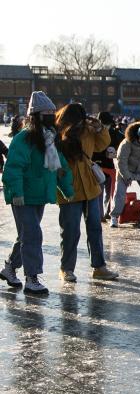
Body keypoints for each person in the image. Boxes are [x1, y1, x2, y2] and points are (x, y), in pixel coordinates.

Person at [1, 91, 75, 295]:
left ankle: (9, 268)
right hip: (22, 196)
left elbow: (60, 168)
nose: (52, 116)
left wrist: (67, 189)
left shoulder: (50, 139)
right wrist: (16, 192)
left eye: (53, 112)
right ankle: (32, 277)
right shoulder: (23, 138)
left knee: (26, 235)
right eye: (47, 112)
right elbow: (14, 167)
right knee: (33, 234)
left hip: (39, 195)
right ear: (36, 115)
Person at [54, 103, 120, 283]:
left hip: (90, 186)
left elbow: (102, 145)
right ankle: (66, 269)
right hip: (69, 188)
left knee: (95, 228)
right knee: (70, 231)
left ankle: (99, 267)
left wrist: (100, 129)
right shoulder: (57, 133)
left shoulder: (88, 130)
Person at [92, 111, 124, 218]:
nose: (106, 126)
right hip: (96, 166)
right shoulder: (93, 133)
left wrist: (115, 153)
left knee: (111, 192)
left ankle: (109, 213)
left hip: (110, 167)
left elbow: (124, 145)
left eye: (108, 124)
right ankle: (100, 215)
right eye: (104, 124)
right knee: (98, 193)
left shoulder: (115, 133)